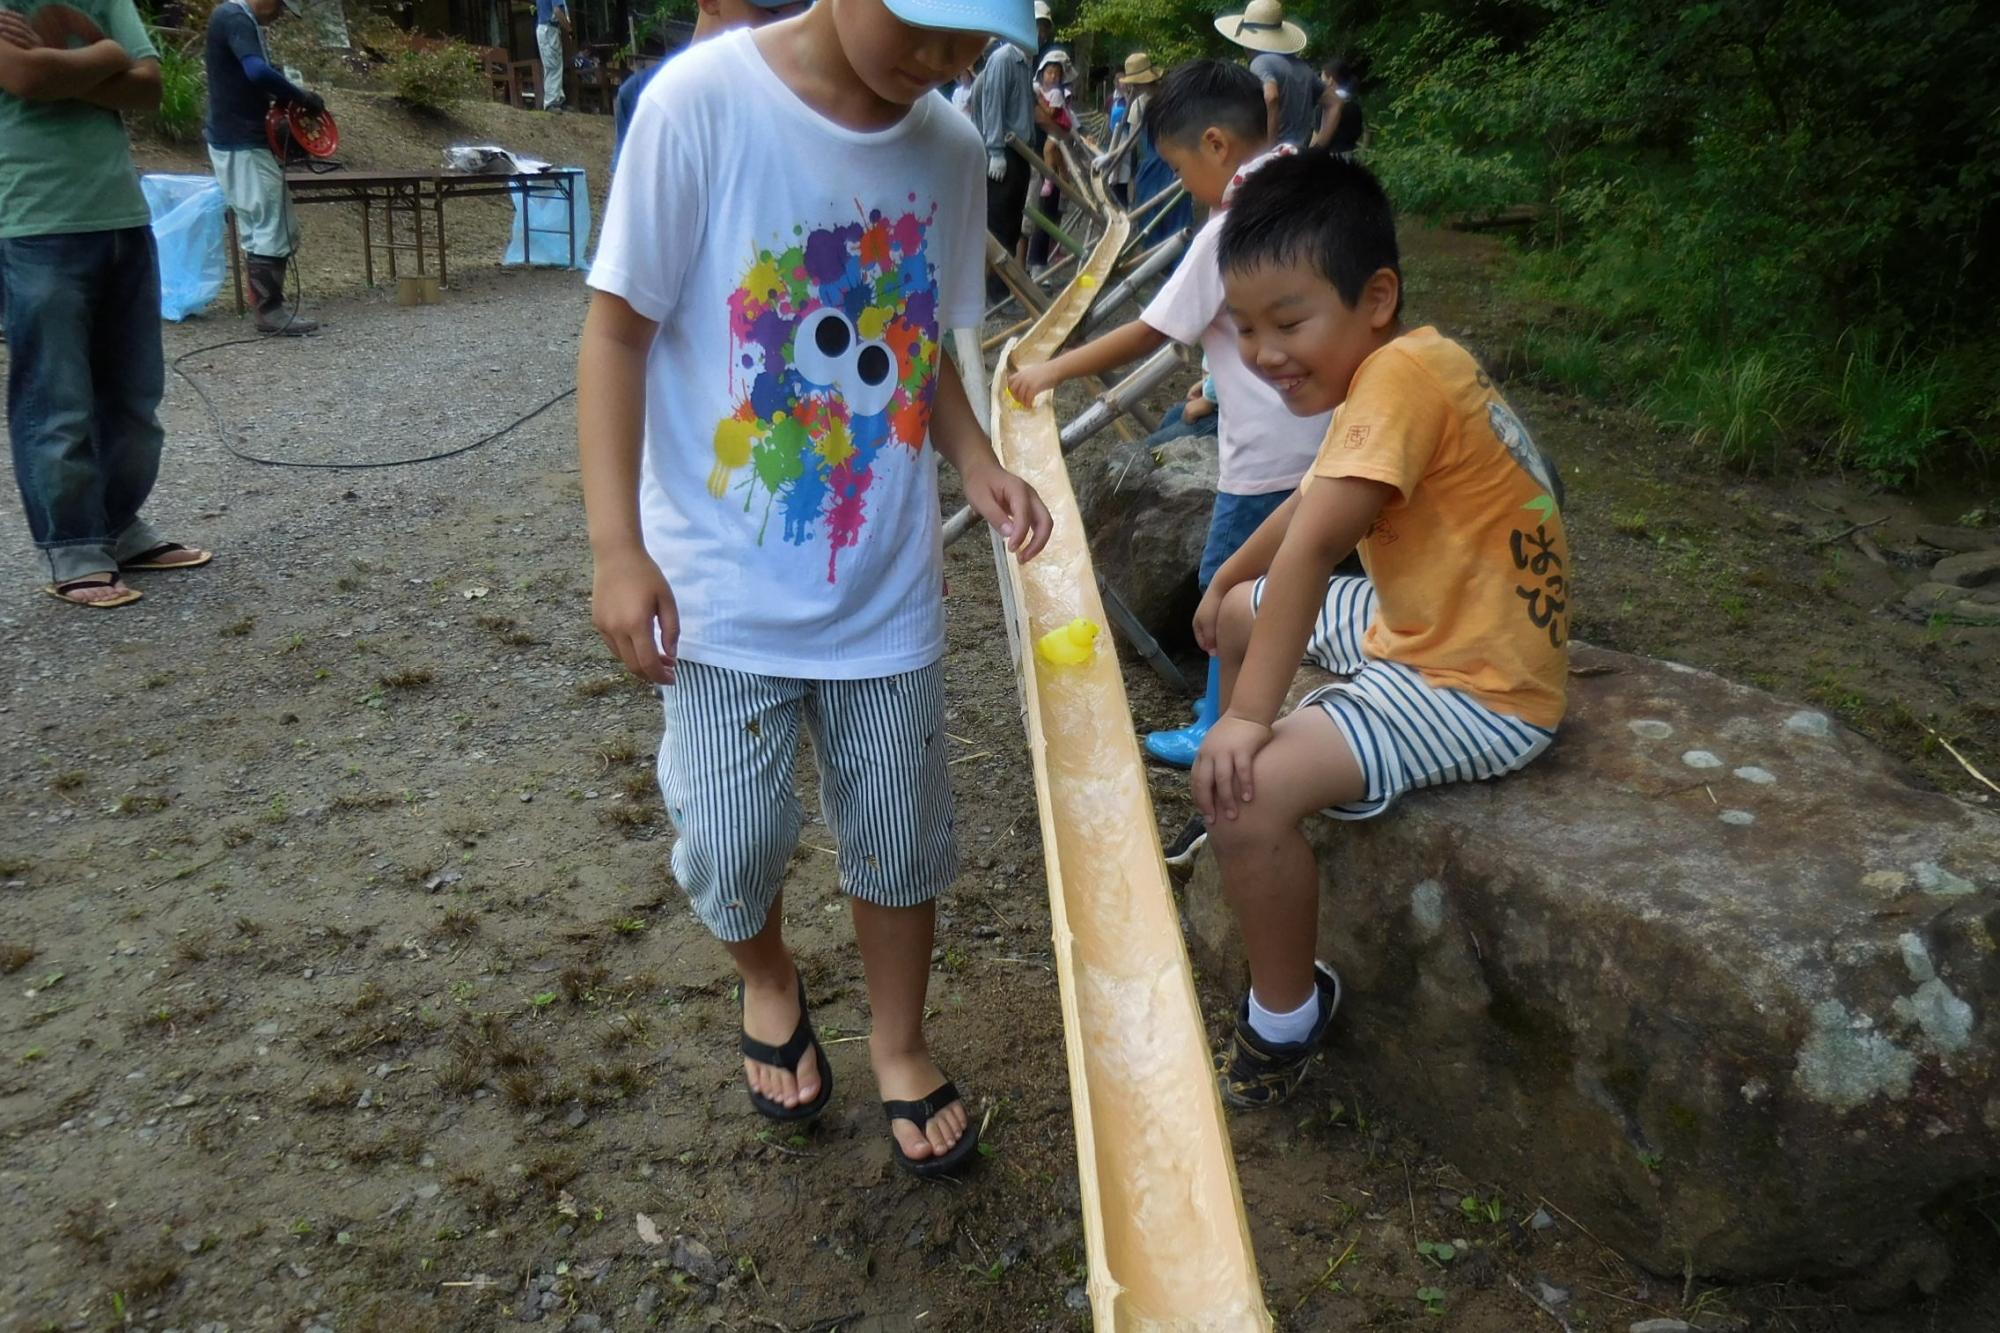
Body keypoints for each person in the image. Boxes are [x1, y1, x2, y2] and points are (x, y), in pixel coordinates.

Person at [579, 0, 1052, 1177]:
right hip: (719, 586)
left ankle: (899, 1043)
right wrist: (615, 547)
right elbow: (615, 332)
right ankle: (770, 976)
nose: (940, 69)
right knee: (729, 843)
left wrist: (979, 459)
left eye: (967, 50)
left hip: (881, 588)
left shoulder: (944, 148)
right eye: (924, 32)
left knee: (899, 842)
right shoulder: (700, 104)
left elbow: (921, 340)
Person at [1194, 151, 1571, 1108]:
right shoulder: (1403, 362)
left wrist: (1250, 721)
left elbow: (1316, 548)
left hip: (1475, 681)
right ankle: (1240, 813)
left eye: (1289, 321)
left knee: (1245, 795)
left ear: (1376, 296)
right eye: (1244, 329)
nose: (1265, 353)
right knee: (1243, 610)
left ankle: (1287, 1017)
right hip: (1432, 617)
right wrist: (1233, 574)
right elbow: (1314, 505)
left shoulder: (1400, 378)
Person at [1007, 60, 1329, 783]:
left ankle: (1221, 720)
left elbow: (1154, 328)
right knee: (1297, 572)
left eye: (1181, 167)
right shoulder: (1304, 189)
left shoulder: (1229, 227)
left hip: (1268, 455)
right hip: (1326, 438)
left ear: (1216, 145)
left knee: (1230, 578)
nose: (1182, 184)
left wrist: (1051, 369)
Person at [0, 0, 213, 608]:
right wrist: (107, 57)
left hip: (121, 217)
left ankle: (118, 527)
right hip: (32, 221)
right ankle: (73, 547)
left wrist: (68, 64)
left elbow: (148, 90)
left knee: (134, 398)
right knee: (55, 399)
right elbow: (26, 79)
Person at [204, 0, 327, 335]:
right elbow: (257, 71)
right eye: (282, 7)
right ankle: (270, 311)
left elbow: (255, 76)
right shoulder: (235, 16)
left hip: (236, 139)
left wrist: (282, 95)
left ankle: (268, 308)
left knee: (259, 225)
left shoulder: (236, 19)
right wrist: (300, 96)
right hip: (242, 142)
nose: (280, 15)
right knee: (274, 223)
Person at [613, 0, 808, 171]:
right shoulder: (643, 96)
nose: (789, 29)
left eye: (801, 15)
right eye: (773, 12)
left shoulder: (805, 98)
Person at [1214, 0, 1319, 150]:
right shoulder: (1303, 67)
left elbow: (1272, 97)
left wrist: (1269, 149)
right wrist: (1320, 146)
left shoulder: (1261, 62)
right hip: (1301, 152)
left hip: (1278, 153)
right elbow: (1335, 102)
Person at [1024, 46, 1072, 273]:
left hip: (1053, 144)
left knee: (1047, 207)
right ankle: (1031, 264)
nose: (1052, 76)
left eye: (1057, 73)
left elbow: (1057, 120)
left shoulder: (1055, 95)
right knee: (1033, 209)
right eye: (1049, 72)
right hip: (1033, 151)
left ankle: (1039, 263)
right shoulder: (1031, 88)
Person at [1310, 56, 1364, 156]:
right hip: (1349, 158)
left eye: (1322, 78)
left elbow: (1316, 140)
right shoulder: (1355, 106)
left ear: (1330, 80)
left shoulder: (1325, 108)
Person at [535, 0, 570, 111]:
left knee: (555, 64)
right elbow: (557, 11)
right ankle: (551, 102)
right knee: (553, 66)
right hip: (549, 28)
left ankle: (557, 99)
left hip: (547, 28)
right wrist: (569, 29)